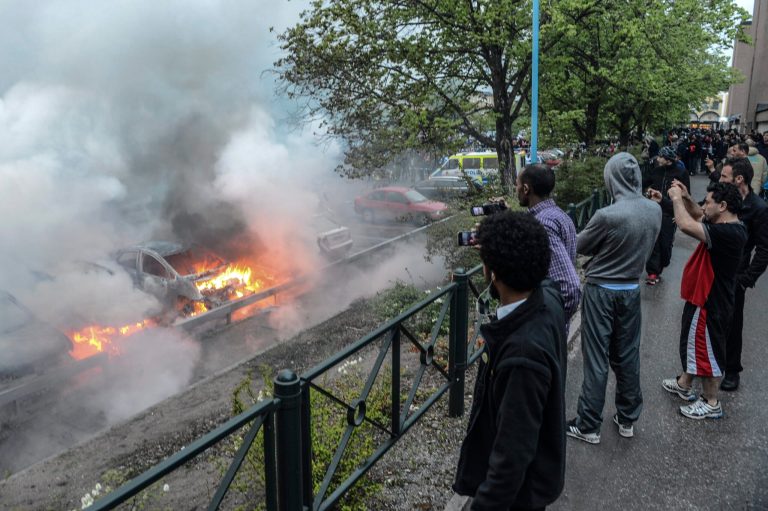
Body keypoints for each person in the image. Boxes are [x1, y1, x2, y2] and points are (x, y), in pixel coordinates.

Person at [453, 211, 567, 510]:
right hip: (537, 478)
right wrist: (498, 242)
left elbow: (512, 457)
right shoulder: (547, 298)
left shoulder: (522, 355)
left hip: (520, 497)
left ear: (492, 272)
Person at [566, 153, 661, 443]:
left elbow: (578, 246)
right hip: (631, 289)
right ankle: (627, 417)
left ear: (612, 179)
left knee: (596, 358)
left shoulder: (607, 215)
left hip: (601, 291)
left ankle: (588, 424)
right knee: (628, 355)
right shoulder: (654, 210)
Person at [660, 181, 746, 419]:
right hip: (705, 297)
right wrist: (687, 197)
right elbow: (699, 216)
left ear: (723, 206)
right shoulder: (725, 225)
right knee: (694, 343)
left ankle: (711, 401)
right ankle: (684, 384)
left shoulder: (729, 234)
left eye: (708, 202)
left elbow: (687, 224)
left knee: (706, 351)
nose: (704, 206)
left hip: (711, 302)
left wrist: (676, 198)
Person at [716, 158, 768, 391]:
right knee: (708, 319)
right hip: (714, 268)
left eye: (724, 176)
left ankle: (732, 370)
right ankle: (707, 365)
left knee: (732, 323)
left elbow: (764, 250)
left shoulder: (759, 208)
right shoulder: (724, 198)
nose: (720, 179)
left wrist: (746, 280)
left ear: (739, 179)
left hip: (735, 276)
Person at [516, 164, 581, 323]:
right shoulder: (559, 215)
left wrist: (551, 320)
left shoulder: (543, 224)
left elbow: (570, 287)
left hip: (544, 324)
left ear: (526, 189)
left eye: (517, 184)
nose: (515, 189)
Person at [642, 145, 690, 285]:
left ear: (668, 160)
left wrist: (681, 212)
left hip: (670, 213)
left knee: (665, 243)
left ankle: (663, 263)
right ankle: (652, 272)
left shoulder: (681, 173)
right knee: (654, 242)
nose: (658, 158)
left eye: (661, 157)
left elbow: (687, 196)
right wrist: (646, 192)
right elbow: (643, 183)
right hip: (654, 211)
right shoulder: (656, 170)